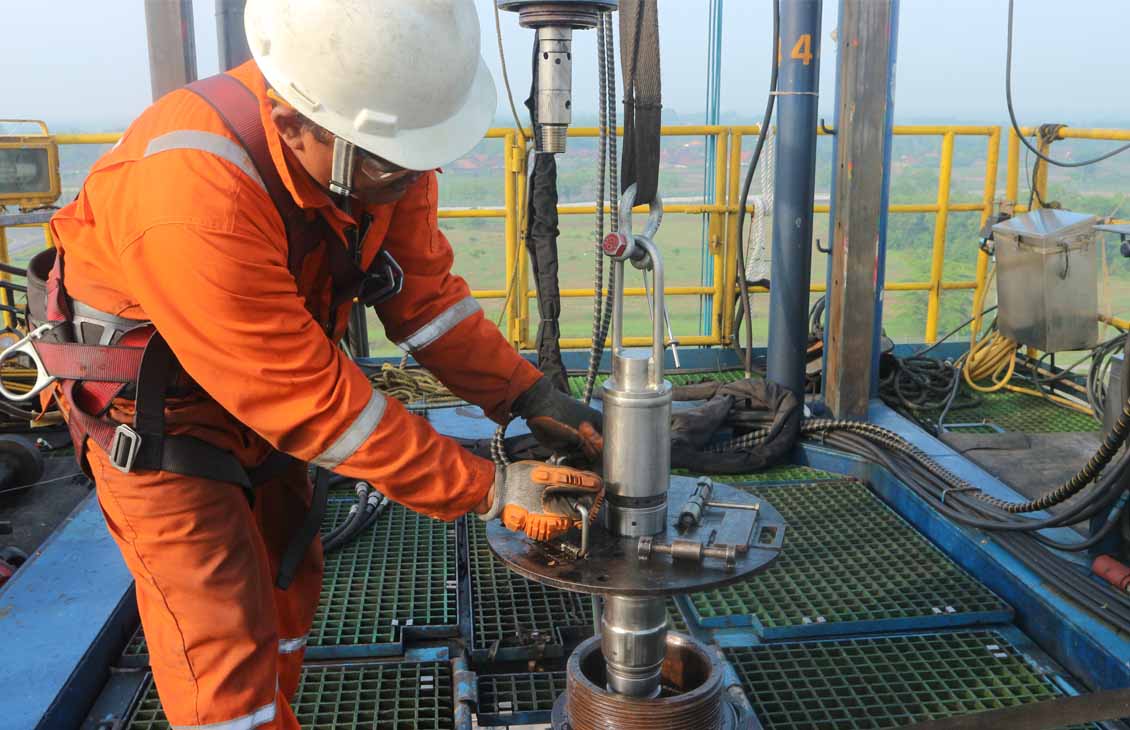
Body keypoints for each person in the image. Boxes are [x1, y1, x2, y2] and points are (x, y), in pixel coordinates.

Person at [37, 1, 601, 727]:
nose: (408, 182)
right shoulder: (193, 194)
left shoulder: (380, 146)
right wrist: (488, 489)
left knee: (287, 583)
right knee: (224, 648)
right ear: (291, 119)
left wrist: (528, 396)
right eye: (389, 169)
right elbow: (313, 402)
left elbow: (425, 300)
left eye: (417, 165)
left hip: (263, 411)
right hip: (160, 428)